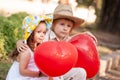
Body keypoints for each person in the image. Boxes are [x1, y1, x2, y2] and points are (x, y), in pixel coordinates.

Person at [16, 4, 97, 80]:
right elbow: (29, 40)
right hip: (44, 71)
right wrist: (19, 43)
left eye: (69, 26)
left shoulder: (67, 40)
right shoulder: (45, 35)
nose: (65, 28)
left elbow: (74, 40)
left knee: (81, 72)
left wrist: (83, 35)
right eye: (62, 24)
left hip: (60, 71)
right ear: (53, 25)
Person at [6, 14, 53, 80]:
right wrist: (39, 74)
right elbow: (22, 71)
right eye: (39, 32)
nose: (42, 35)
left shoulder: (37, 46)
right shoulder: (26, 51)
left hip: (29, 75)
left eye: (44, 32)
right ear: (30, 33)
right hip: (20, 77)